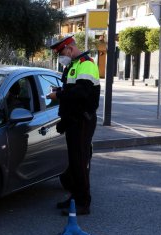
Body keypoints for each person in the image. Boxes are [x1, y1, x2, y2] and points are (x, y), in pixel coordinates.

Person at [46, 35, 100, 216]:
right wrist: (60, 93)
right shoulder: (73, 65)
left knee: (80, 162)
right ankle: (74, 198)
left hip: (83, 121)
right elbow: (71, 91)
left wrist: (59, 96)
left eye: (61, 52)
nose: (61, 56)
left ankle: (83, 203)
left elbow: (81, 93)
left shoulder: (86, 64)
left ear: (70, 48)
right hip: (73, 120)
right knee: (74, 163)